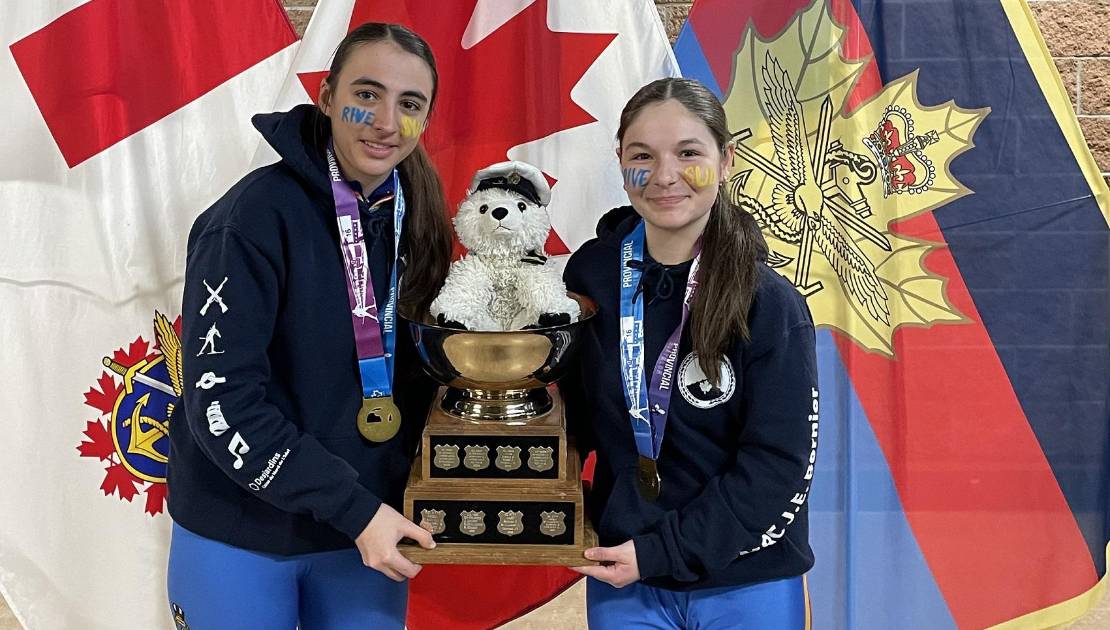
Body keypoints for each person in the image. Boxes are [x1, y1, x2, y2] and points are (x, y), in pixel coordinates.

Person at [166, 23, 452, 630]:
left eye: (409, 104)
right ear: (326, 97)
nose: (384, 121)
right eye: (366, 94)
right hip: (244, 533)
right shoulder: (247, 222)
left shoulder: (417, 215)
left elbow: (420, 370)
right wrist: (355, 510)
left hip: (362, 535)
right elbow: (223, 404)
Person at [563, 77, 819, 629]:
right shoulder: (590, 277)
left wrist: (663, 552)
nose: (663, 176)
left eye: (688, 153)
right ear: (620, 161)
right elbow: (572, 417)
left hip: (746, 575)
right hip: (627, 575)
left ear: (726, 160)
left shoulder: (770, 304)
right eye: (642, 156)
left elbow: (777, 466)